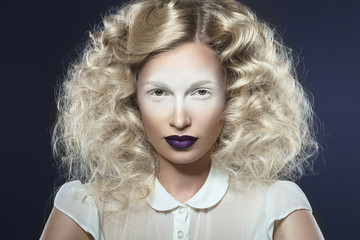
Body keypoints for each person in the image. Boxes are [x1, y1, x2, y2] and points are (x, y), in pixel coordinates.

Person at [40, 0, 324, 239]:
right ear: (130, 97)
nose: (179, 119)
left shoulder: (278, 206)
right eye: (159, 92)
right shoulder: (85, 206)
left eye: (200, 92)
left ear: (234, 95)